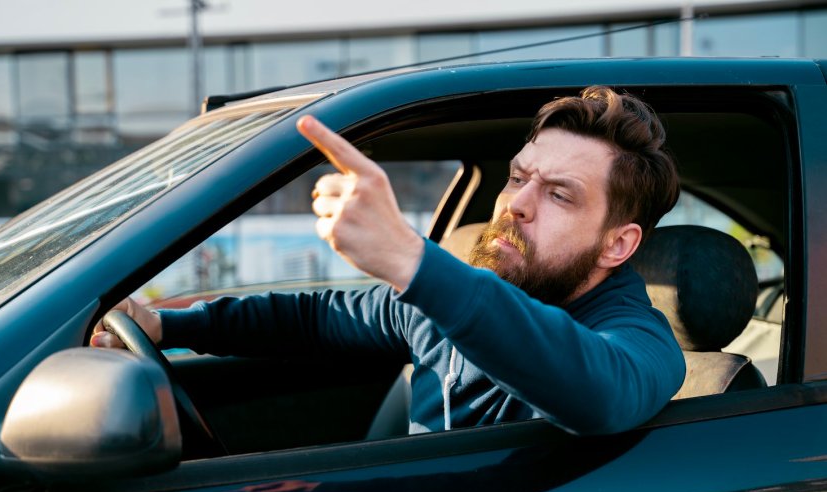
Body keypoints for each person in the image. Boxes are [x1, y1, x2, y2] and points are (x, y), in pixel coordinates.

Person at [92, 86, 685, 437]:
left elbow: (601, 392)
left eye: (559, 194)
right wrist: (167, 327)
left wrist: (410, 257)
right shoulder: (448, 302)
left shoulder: (640, 342)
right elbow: (313, 318)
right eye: (518, 178)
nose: (515, 206)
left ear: (618, 244)